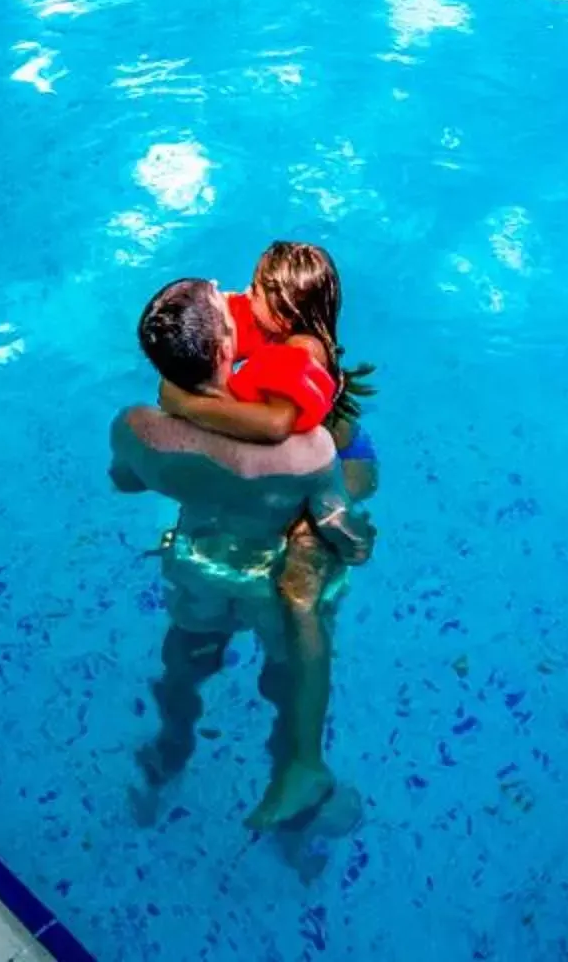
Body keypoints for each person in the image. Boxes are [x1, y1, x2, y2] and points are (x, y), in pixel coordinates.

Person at [112, 275, 370, 834]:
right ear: (228, 347)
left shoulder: (137, 429)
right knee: (284, 682)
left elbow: (125, 482)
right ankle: (293, 798)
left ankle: (168, 753)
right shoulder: (305, 451)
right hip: (269, 586)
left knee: (185, 663)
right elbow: (341, 528)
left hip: (198, 569)